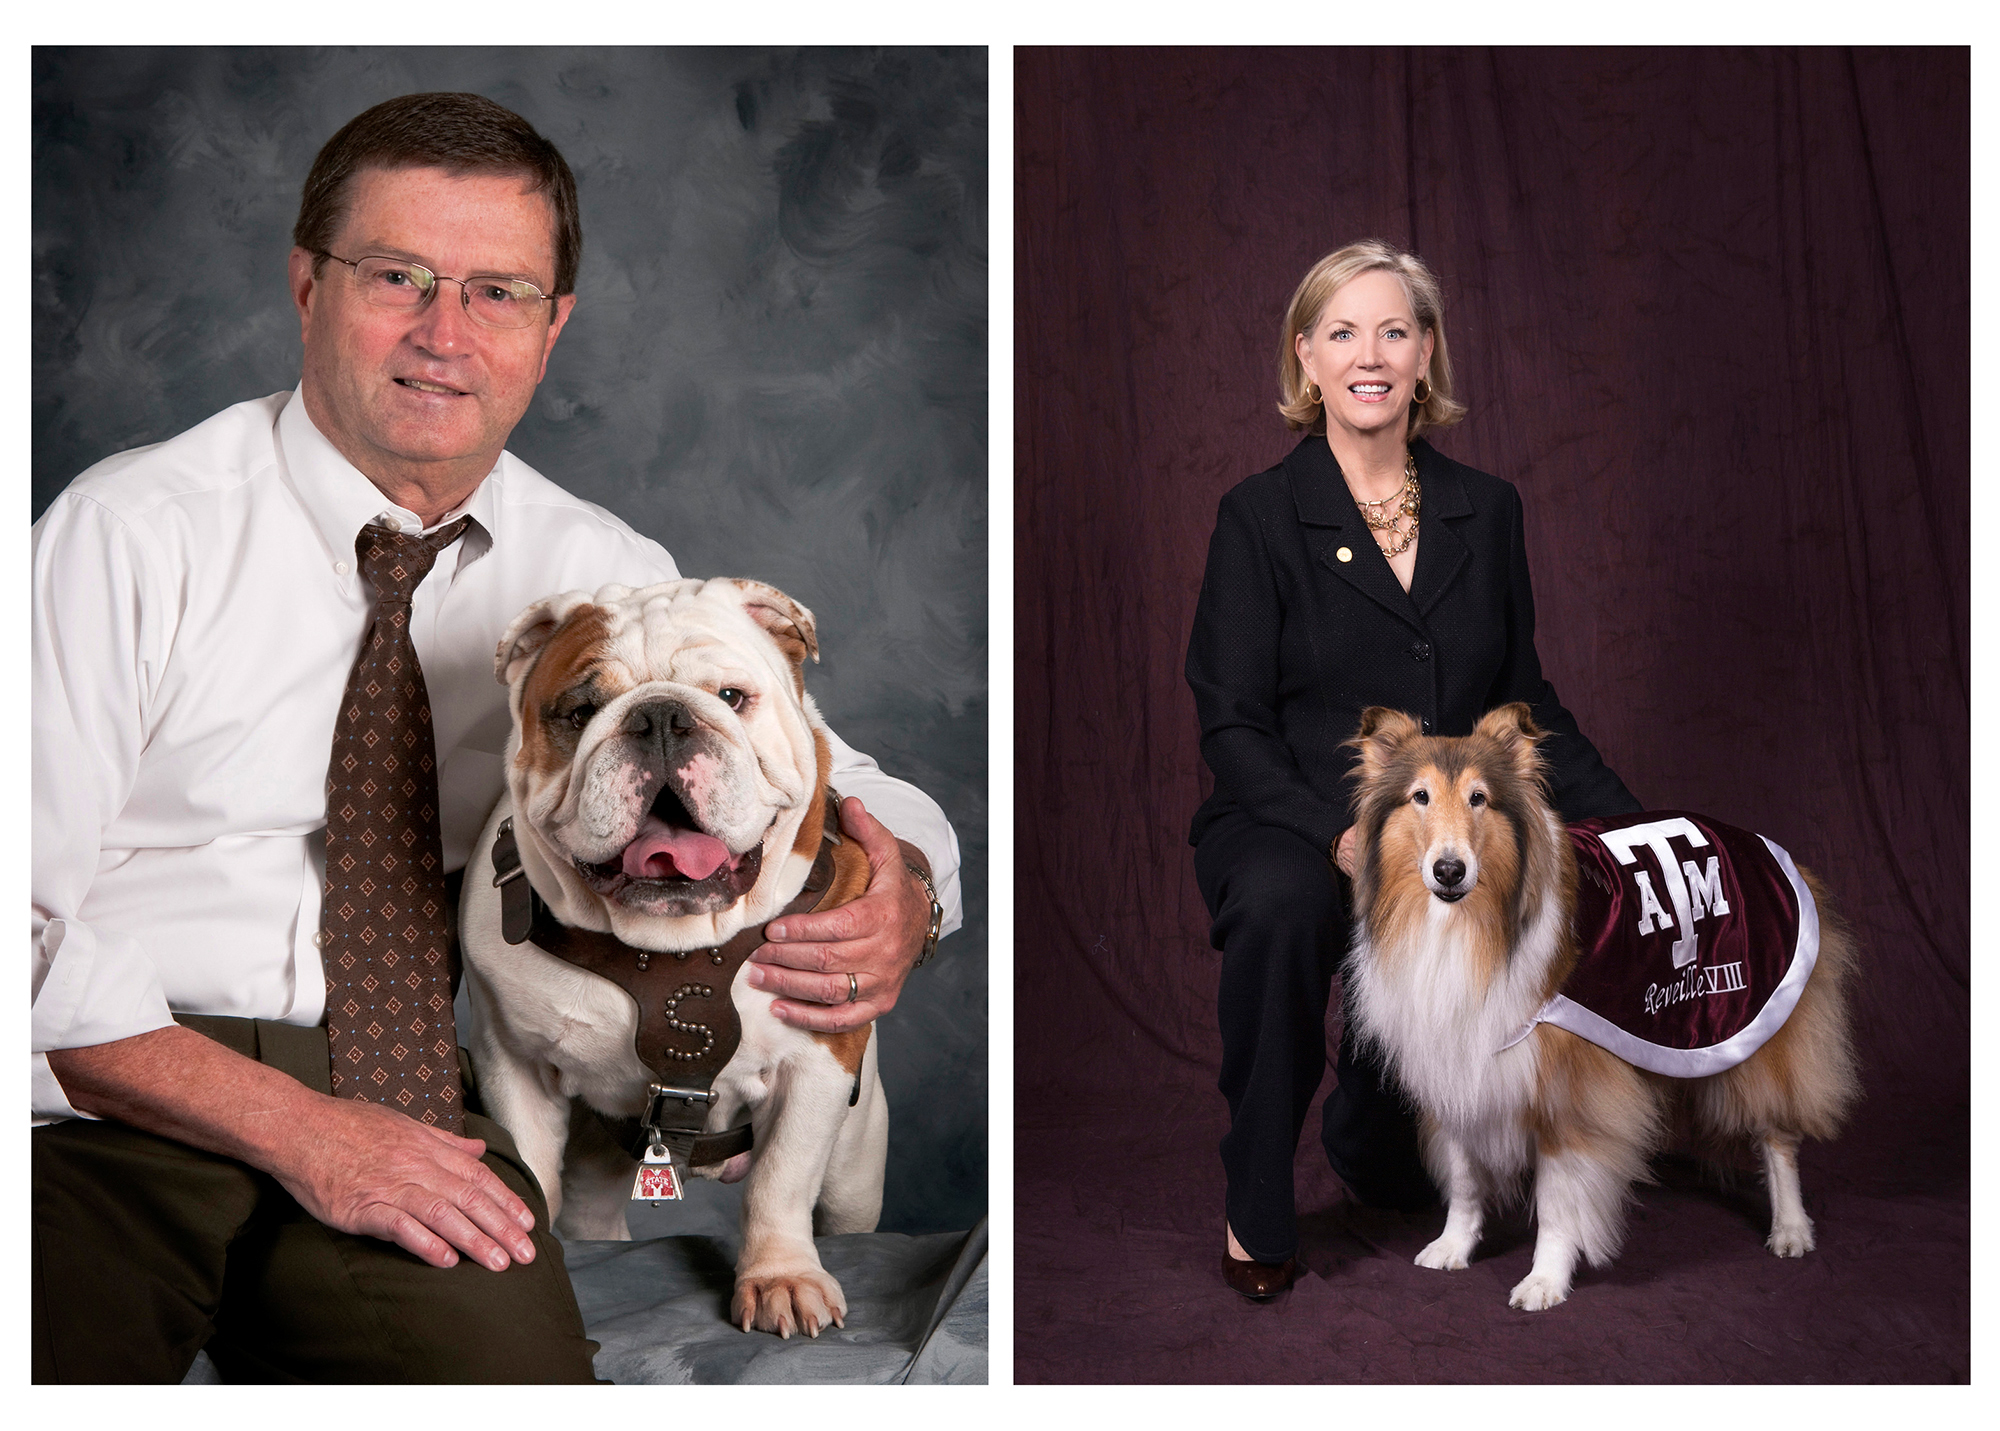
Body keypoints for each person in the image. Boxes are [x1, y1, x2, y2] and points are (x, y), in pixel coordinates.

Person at [31, 91, 963, 1383]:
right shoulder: (132, 530)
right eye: (397, 275)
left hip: (410, 1090)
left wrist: (906, 886)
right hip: (108, 1088)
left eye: (499, 291)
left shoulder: (595, 573)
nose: (444, 334)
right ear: (307, 284)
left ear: (555, 324)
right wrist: (302, 1129)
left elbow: (831, 772)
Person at [1184, 239, 1638, 1300]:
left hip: (1455, 824)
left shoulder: (1491, 508)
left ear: (1425, 354)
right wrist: (1333, 834)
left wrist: (1637, 827)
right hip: (1290, 819)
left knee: (1387, 1169)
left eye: (1393, 329)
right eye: (1341, 332)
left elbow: (1529, 699)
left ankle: (1374, 1111)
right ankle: (1253, 1206)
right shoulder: (1256, 516)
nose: (1369, 354)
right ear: (1305, 360)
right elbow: (1230, 723)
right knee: (1284, 906)